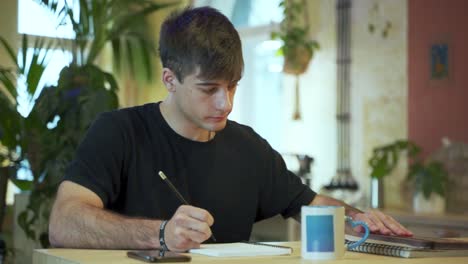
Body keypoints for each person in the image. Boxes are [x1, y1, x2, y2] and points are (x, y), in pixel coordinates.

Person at [48, 6, 412, 252]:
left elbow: (311, 206)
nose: (226, 103)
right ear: (170, 79)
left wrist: (358, 218)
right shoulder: (118, 132)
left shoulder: (248, 147)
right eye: (209, 89)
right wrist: (161, 233)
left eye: (233, 85)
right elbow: (63, 223)